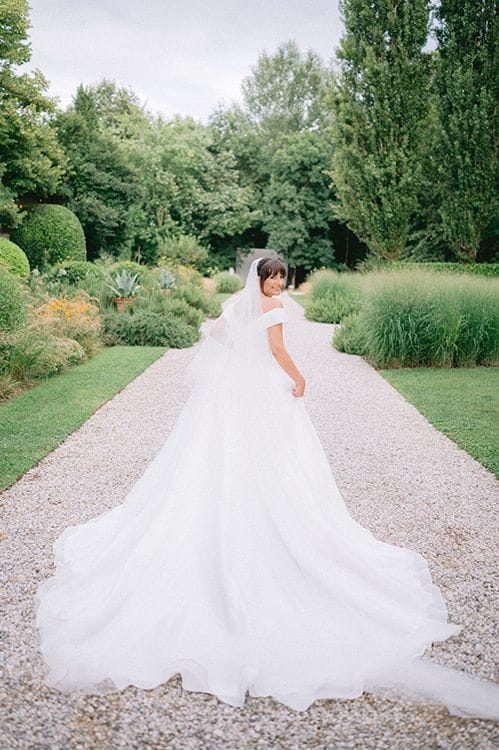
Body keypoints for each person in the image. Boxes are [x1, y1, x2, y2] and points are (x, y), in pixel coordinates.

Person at [35, 257, 498, 718]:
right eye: (273, 277)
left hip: (230, 397)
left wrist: (237, 363)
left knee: (217, 463)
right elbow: (277, 353)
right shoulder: (274, 311)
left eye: (282, 277)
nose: (278, 283)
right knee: (266, 467)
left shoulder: (241, 305)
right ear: (261, 279)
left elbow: (213, 334)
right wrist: (299, 377)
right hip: (259, 398)